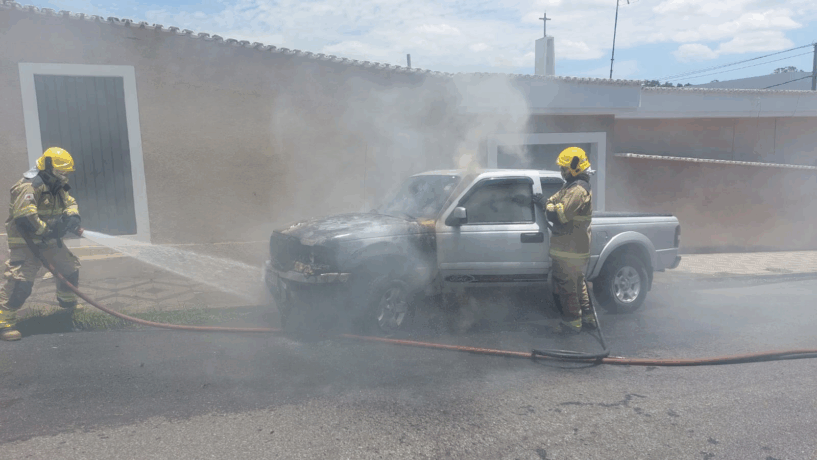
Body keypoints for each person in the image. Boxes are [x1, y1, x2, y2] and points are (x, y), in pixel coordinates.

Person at [0, 147, 82, 341]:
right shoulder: (30, 186)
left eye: (66, 172)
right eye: (61, 171)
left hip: (49, 240)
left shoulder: (57, 184)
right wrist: (48, 230)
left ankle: (67, 307)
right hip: (27, 244)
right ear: (47, 166)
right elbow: (25, 218)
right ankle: (4, 323)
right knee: (21, 283)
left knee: (70, 269)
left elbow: (69, 201)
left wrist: (72, 216)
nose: (64, 175)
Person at [533, 147, 595, 334]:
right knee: (577, 283)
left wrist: (545, 204)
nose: (562, 172)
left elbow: (558, 214)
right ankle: (588, 318)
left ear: (575, 167)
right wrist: (548, 202)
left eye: (564, 168)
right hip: (572, 248)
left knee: (567, 286)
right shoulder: (571, 186)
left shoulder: (577, 190)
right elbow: (555, 199)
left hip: (570, 249)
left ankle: (571, 323)